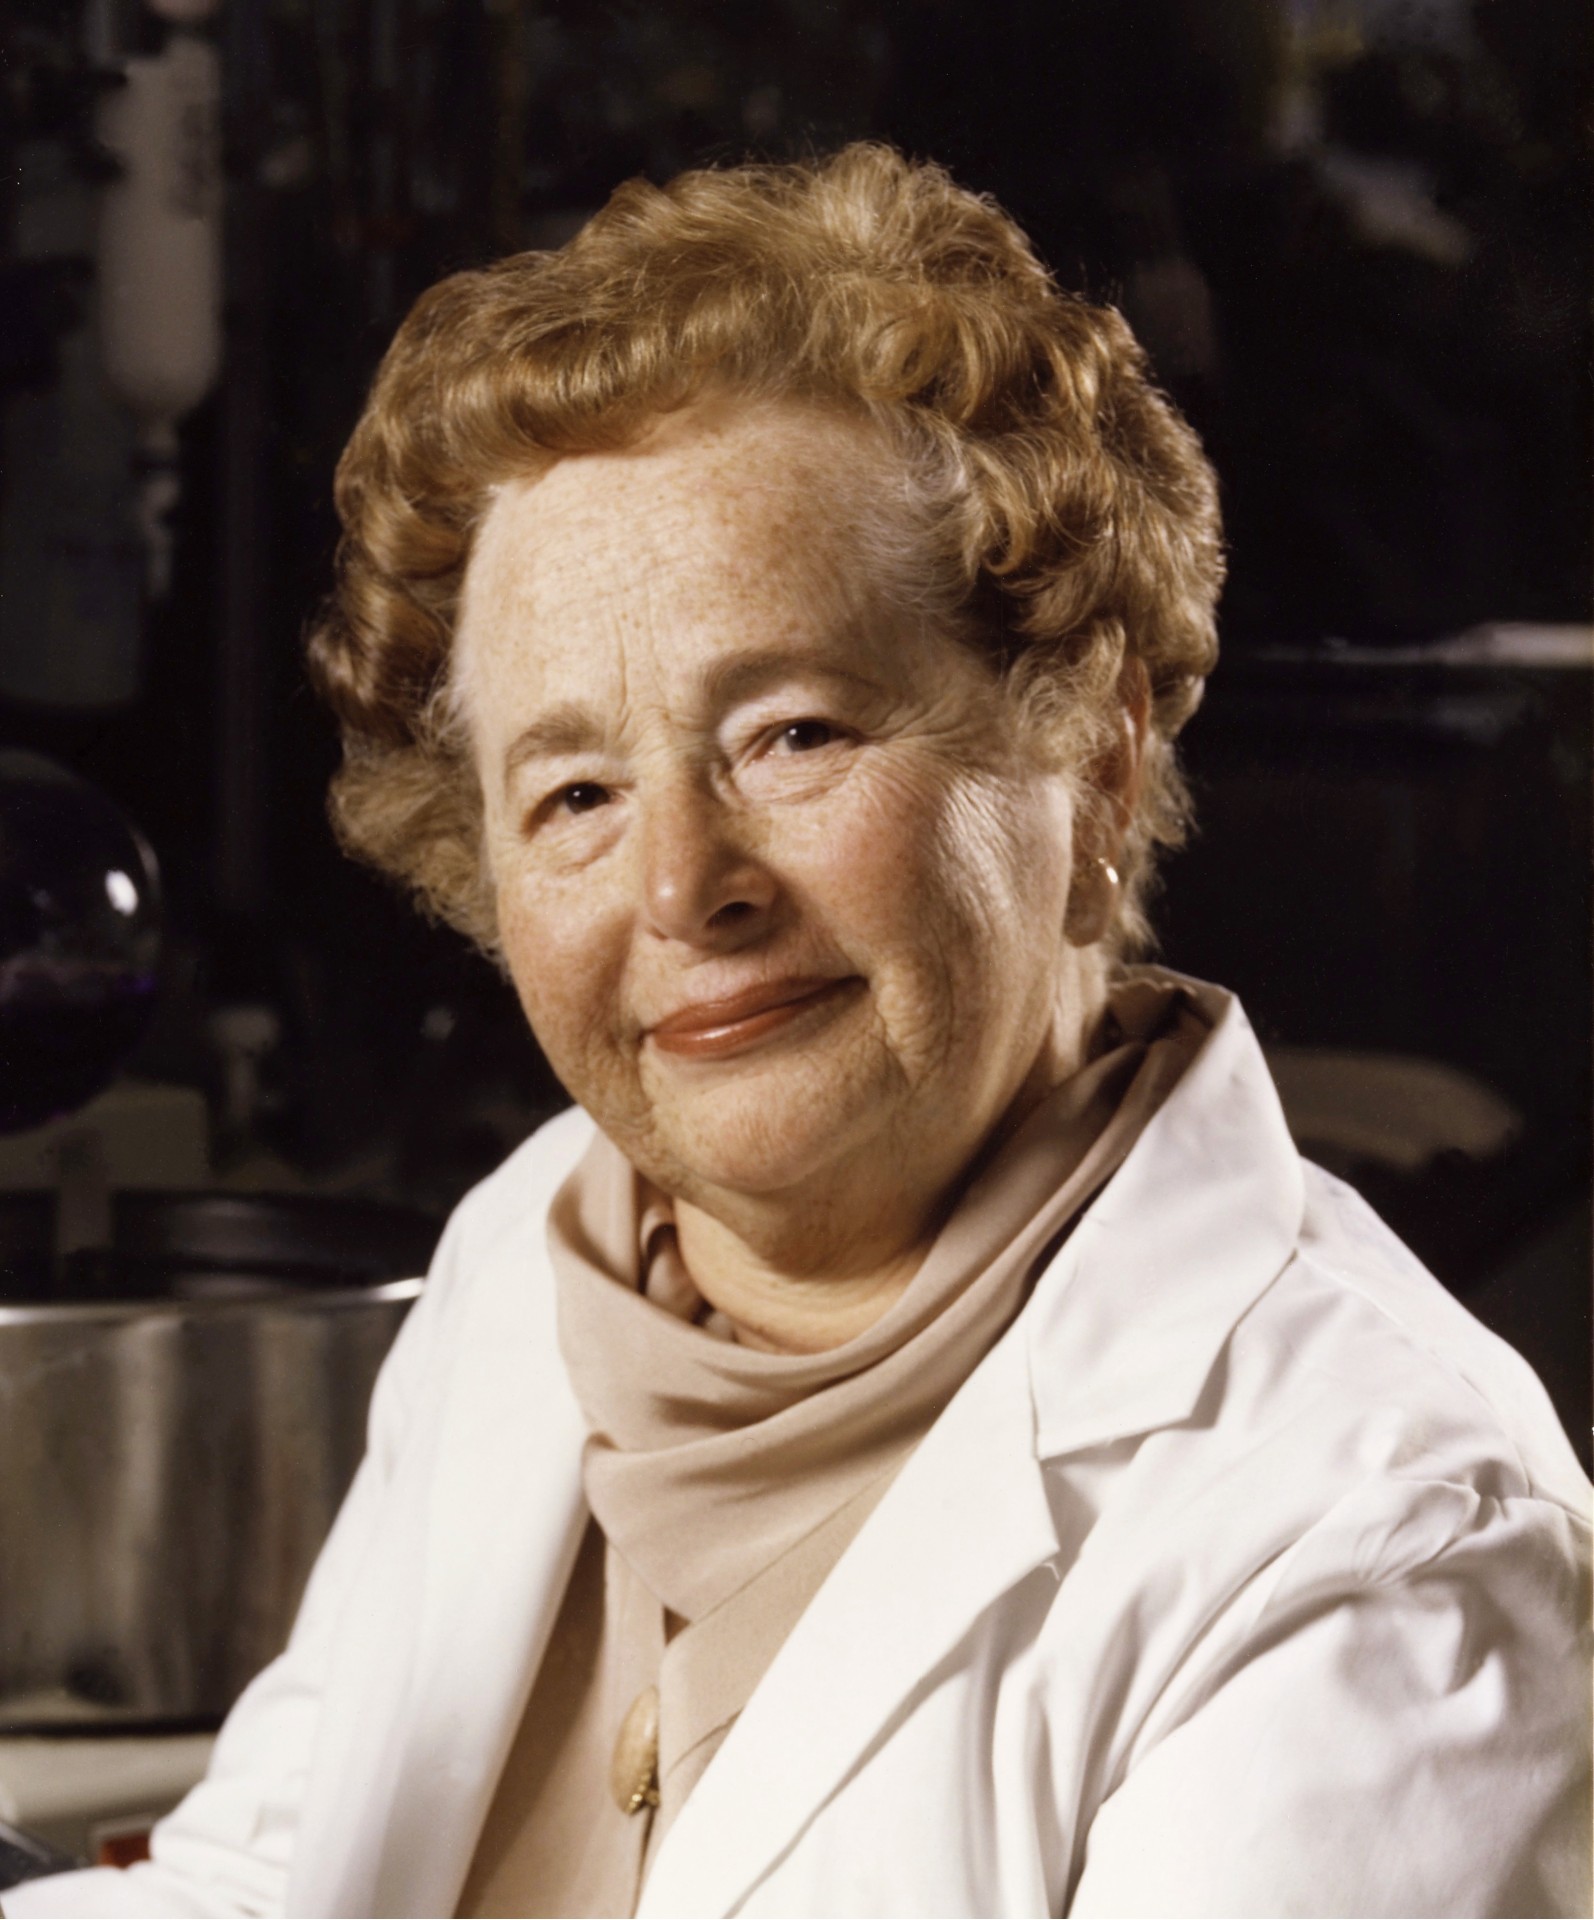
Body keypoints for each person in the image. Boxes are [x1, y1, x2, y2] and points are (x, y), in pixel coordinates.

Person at [7, 143, 1588, 1920]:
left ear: (1092, 753)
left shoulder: (1369, 1536)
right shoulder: (541, 1247)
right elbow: (271, 1882)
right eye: (578, 790)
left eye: (796, 734)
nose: (683, 886)